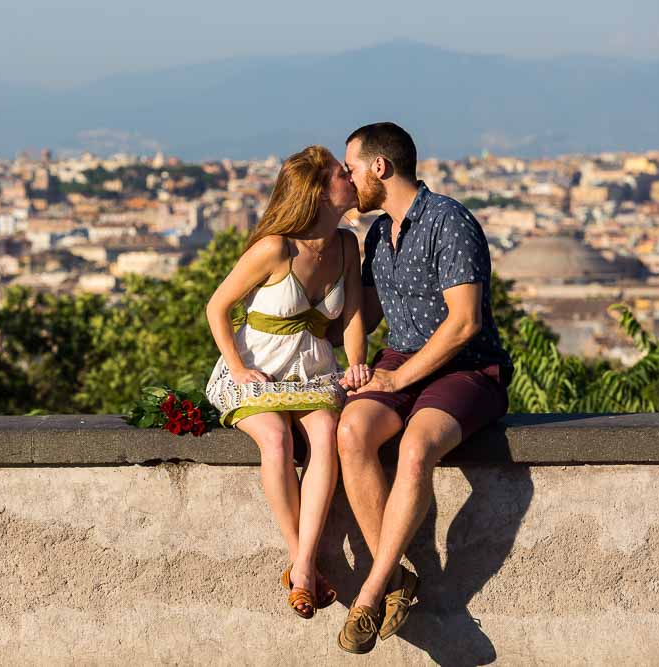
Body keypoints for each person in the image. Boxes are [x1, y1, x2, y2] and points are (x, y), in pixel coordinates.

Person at [334, 123, 514, 654]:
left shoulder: (449, 220)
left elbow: (463, 325)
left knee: (416, 448)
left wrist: (398, 378)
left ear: (380, 168)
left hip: (467, 369)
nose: (348, 178)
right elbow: (359, 318)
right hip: (400, 362)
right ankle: (398, 581)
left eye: (352, 168)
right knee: (352, 432)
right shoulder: (375, 236)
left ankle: (372, 590)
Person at [205, 145, 371, 619]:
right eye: (344, 174)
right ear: (320, 192)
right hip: (260, 368)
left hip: (313, 372)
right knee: (275, 439)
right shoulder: (275, 247)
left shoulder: (346, 245)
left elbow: (354, 313)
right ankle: (305, 565)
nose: (352, 179)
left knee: (326, 435)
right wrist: (237, 367)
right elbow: (217, 308)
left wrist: (356, 362)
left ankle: (300, 565)